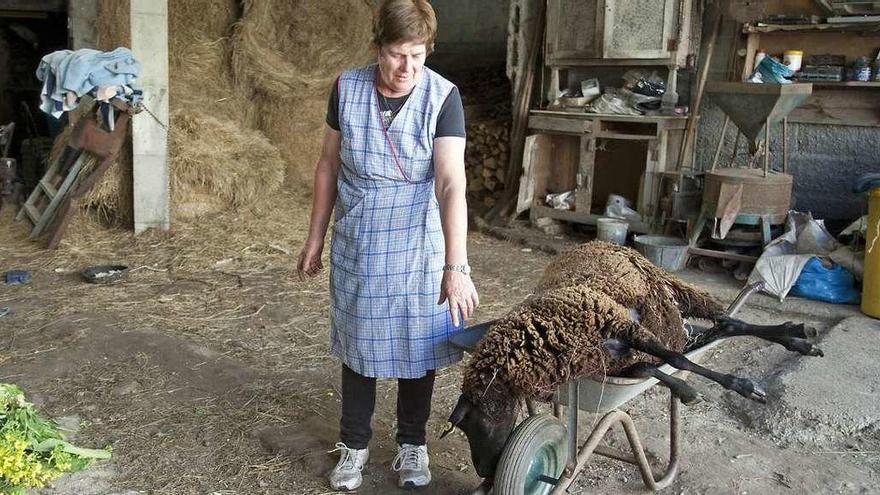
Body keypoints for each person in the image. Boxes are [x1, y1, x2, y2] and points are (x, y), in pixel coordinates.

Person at [296, 0, 479, 490]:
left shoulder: (444, 97)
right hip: (360, 234)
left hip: (420, 240)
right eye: (397, 54)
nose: (407, 68)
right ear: (377, 47)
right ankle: (353, 446)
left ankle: (412, 446)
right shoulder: (346, 87)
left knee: (419, 345)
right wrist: (314, 236)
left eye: (418, 55)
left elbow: (450, 184)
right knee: (359, 347)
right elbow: (328, 165)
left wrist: (455, 265)